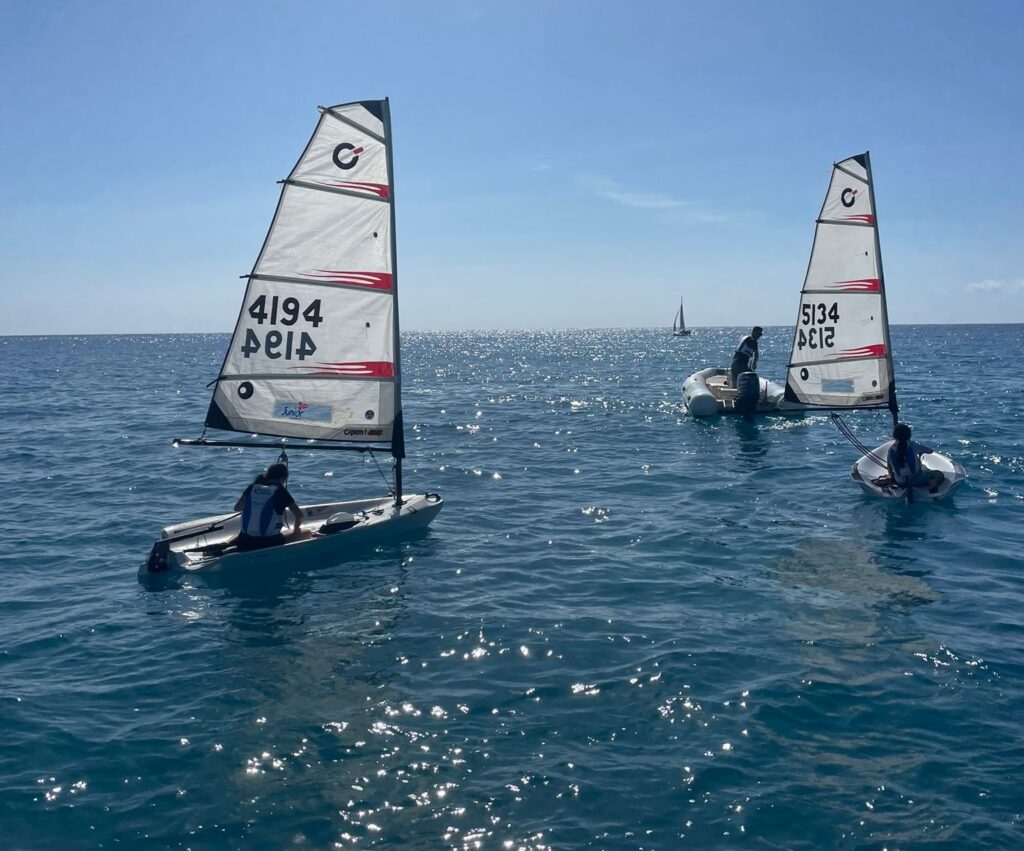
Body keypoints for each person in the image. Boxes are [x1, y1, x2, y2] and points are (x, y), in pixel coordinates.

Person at [233, 462, 303, 551]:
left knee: (246, 532)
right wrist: (296, 530)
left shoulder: (252, 487)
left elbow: (237, 508)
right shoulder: (280, 491)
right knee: (306, 532)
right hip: (269, 542)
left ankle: (226, 545)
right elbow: (299, 515)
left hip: (244, 541)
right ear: (283, 478)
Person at [886, 423, 943, 498]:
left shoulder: (891, 449)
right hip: (915, 480)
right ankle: (931, 483)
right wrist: (920, 451)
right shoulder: (913, 445)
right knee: (939, 473)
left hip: (900, 482)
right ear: (909, 435)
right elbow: (930, 451)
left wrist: (892, 478)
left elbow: (889, 467)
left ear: (894, 435)